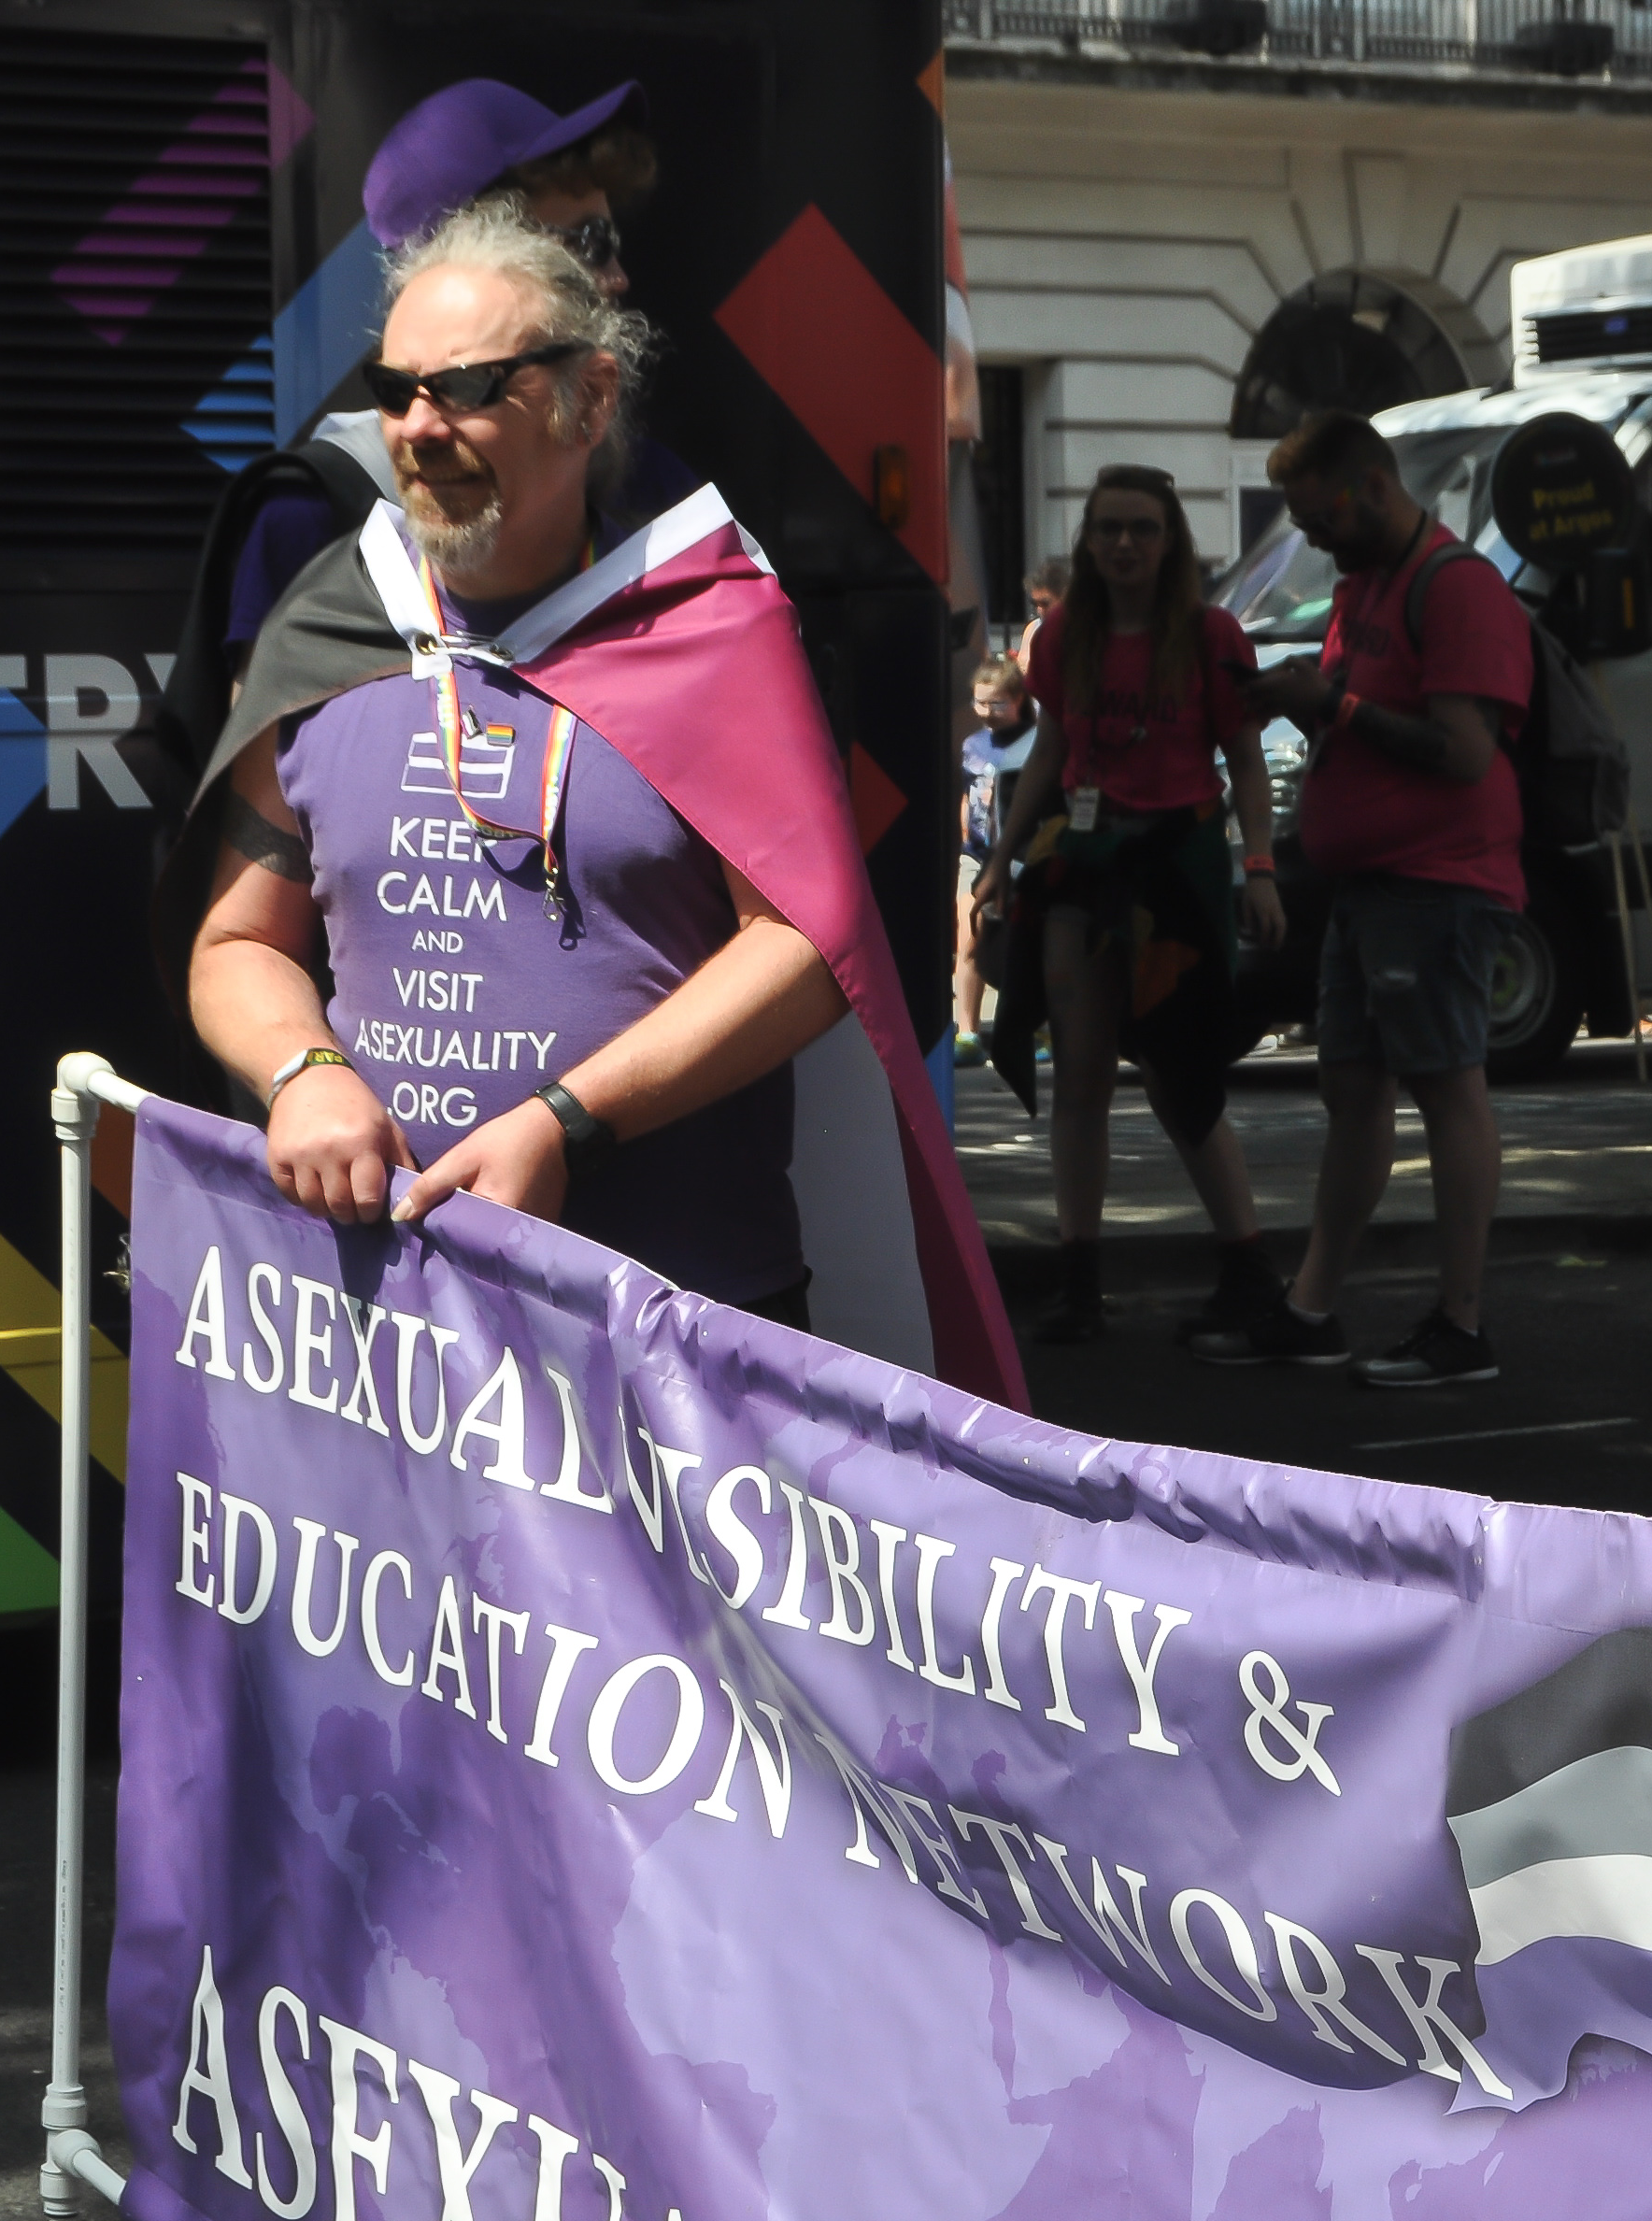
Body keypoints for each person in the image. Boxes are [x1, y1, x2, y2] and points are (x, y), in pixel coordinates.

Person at [174, 201, 1021, 1401]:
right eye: (395, 387)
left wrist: (566, 1122)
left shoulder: (712, 628)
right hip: (390, 1325)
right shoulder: (332, 626)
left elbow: (807, 945)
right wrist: (302, 1069)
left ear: (591, 400)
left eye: (468, 387)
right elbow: (237, 939)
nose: (418, 427)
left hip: (675, 1330)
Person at [1197, 409, 1536, 1388]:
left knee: (1444, 1087)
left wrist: (1330, 704)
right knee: (1351, 1090)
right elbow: (1360, 705)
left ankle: (1460, 1325)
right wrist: (1301, 692)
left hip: (1438, 882)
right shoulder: (1367, 584)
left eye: (1316, 516)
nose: (1308, 535)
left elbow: (1464, 753)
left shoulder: (1455, 587)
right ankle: (1311, 1309)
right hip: (1370, 886)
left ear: (1371, 488)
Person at [971, 467, 1287, 1345]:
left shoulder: (1212, 635)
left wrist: (1257, 867)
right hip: (1082, 866)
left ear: (1171, 539)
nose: (1122, 544)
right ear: (1089, 542)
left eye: (1142, 529)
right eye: (1108, 528)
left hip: (1176, 874)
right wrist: (1000, 857)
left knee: (1181, 1077)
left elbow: (1247, 765)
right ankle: (1079, 1285)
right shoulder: (1065, 634)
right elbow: (1051, 752)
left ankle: (1249, 1267)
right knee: (1079, 1074)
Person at [217, 83, 675, 665]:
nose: (617, 276)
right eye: (589, 242)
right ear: (482, 254)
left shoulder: (656, 494)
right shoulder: (308, 513)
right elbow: (264, 750)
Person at [952, 653, 1035, 1063]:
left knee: (1030, 944)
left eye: (997, 703)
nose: (986, 712)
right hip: (977, 855)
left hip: (1024, 857)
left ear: (1019, 698)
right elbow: (967, 796)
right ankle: (967, 1031)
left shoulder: (1037, 742)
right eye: (979, 702)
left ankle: (1038, 1030)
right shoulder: (972, 745)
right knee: (969, 939)